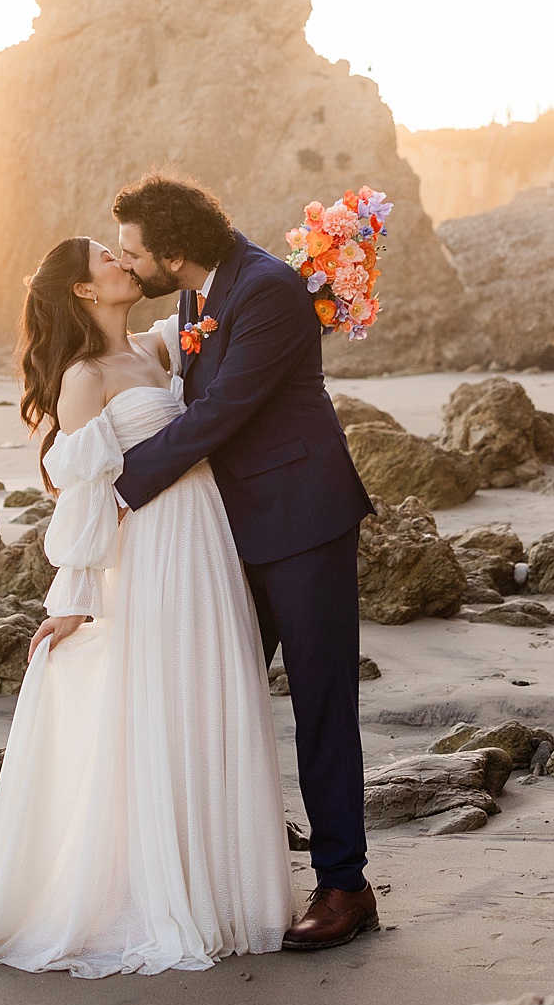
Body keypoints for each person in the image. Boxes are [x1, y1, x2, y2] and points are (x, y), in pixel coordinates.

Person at [0, 234, 292, 977]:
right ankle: (173, 892)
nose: (122, 261)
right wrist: (71, 597)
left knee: (215, 693)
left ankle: (228, 885)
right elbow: (84, 492)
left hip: (208, 537)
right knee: (168, 703)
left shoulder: (158, 349)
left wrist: (316, 273)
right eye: (106, 256)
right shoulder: (82, 376)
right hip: (156, 550)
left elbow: (229, 313)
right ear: (82, 291)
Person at [109, 172, 380, 950]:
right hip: (231, 529)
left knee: (322, 705)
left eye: (134, 254)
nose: (129, 267)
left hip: (303, 523)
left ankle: (344, 885)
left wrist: (126, 488)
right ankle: (216, 871)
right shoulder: (196, 293)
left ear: (174, 249)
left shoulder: (267, 288)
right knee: (213, 694)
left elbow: (224, 409)